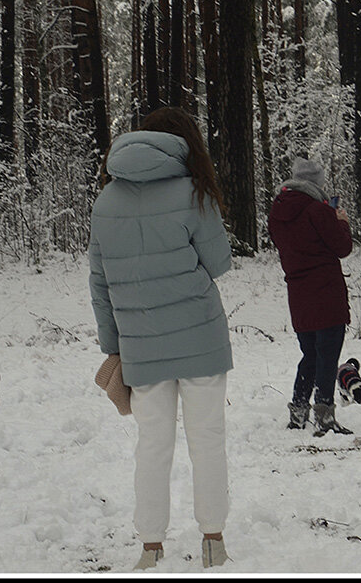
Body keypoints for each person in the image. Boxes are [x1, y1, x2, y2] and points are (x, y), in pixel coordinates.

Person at [88, 106, 234, 570]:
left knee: (152, 445)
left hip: (141, 343)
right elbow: (219, 264)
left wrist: (115, 345)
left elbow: (99, 283)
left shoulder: (105, 200)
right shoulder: (194, 192)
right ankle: (213, 541)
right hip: (201, 339)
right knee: (207, 439)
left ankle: (151, 547)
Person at [268, 157, 355, 436]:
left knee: (310, 355)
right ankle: (325, 416)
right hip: (326, 291)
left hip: (298, 292)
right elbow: (342, 247)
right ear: (316, 183)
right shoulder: (319, 211)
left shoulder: (277, 212)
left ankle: (298, 412)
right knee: (328, 355)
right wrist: (341, 222)